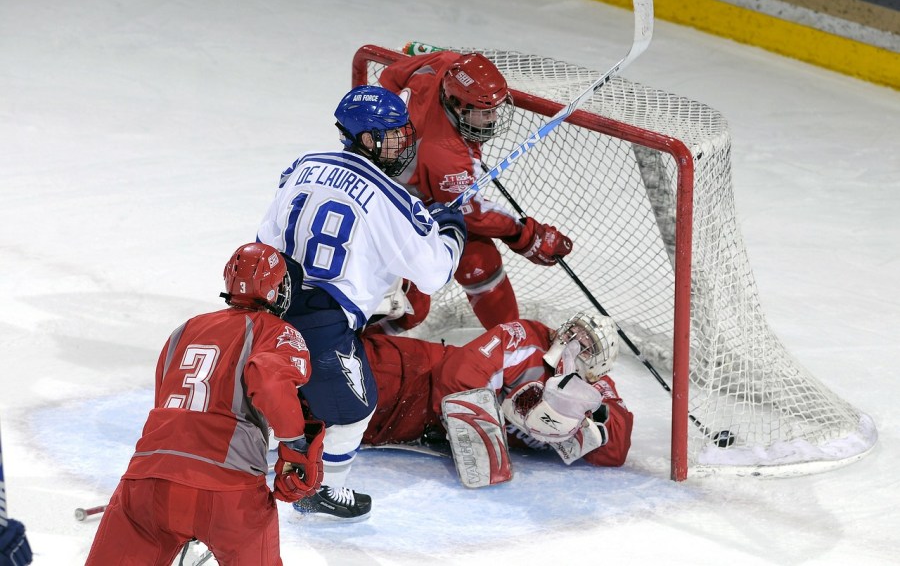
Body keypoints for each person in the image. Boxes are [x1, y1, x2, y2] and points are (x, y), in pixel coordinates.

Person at [256, 85, 465, 521]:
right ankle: (321, 490)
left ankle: (244, 455)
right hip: (321, 321)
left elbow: (265, 239)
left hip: (265, 306)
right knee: (354, 409)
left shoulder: (303, 165)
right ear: (366, 139)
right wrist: (449, 230)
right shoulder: (393, 198)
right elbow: (434, 274)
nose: (403, 143)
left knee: (262, 389)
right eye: (393, 135)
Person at [85, 243, 325, 566]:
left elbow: (165, 398)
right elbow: (269, 382)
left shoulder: (184, 329)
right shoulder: (277, 331)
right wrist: (296, 445)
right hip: (227, 491)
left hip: (147, 481)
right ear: (277, 290)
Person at [378, 50, 574, 332]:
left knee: (478, 258)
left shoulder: (445, 63)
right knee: (412, 304)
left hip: (389, 176)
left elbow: (390, 77)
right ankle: (366, 344)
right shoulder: (447, 156)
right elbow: (474, 214)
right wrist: (526, 235)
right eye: (485, 112)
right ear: (458, 107)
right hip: (398, 210)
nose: (493, 118)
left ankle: (511, 343)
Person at [361, 312, 633, 470]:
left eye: (588, 345)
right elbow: (458, 376)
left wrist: (578, 424)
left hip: (405, 422)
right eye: (575, 330)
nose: (574, 340)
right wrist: (487, 446)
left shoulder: (595, 391)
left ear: (596, 371)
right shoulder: (527, 338)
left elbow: (616, 450)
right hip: (406, 374)